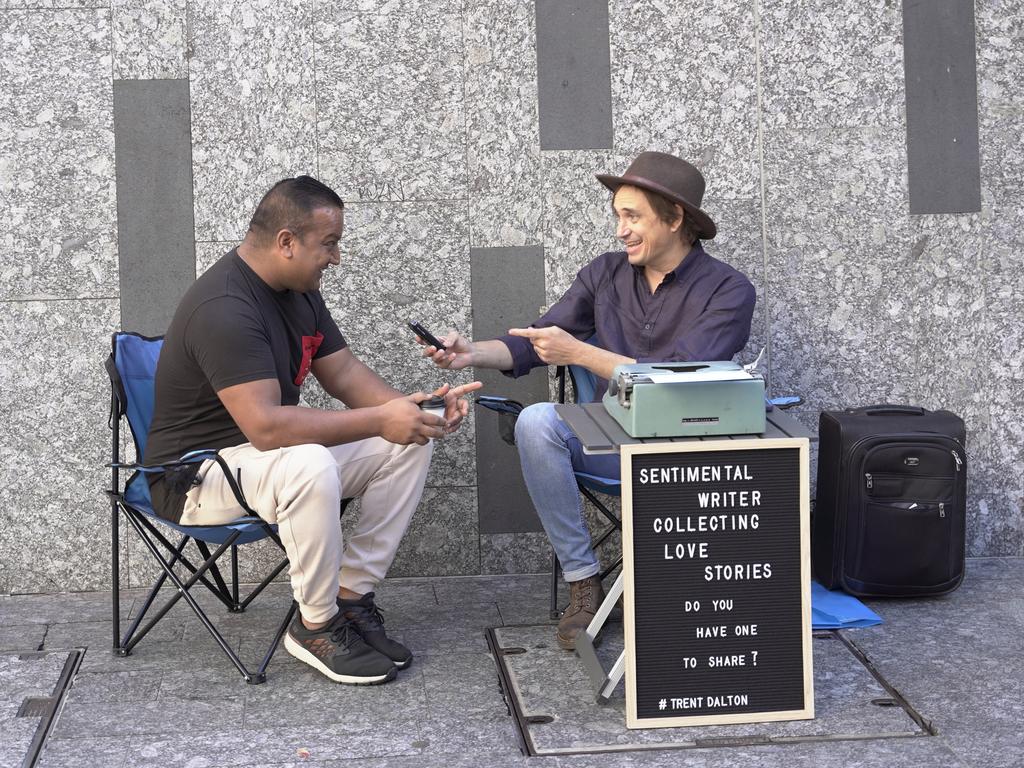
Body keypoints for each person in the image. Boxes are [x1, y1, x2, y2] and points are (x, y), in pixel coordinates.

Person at [144, 175, 480, 684]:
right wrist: (379, 419)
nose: (336, 257)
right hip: (195, 477)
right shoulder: (225, 308)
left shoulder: (298, 291)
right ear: (286, 242)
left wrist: (416, 412)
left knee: (407, 442)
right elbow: (267, 427)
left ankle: (351, 599)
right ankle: (314, 625)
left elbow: (343, 375)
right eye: (329, 243)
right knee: (309, 460)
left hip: (261, 463)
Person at [422, 152, 755, 650]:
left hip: (688, 454)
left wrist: (580, 352)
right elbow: (533, 341)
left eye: (632, 216)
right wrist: (470, 353)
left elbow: (679, 382)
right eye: (617, 215)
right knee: (537, 422)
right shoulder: (604, 274)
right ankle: (585, 582)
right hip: (608, 442)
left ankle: (667, 586)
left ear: (675, 218)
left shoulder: (729, 289)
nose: (620, 230)